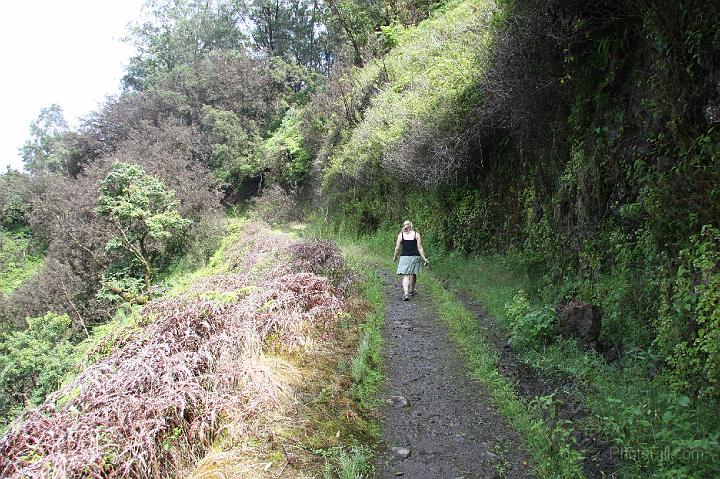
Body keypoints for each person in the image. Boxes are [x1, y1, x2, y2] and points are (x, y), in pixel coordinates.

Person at [393, 220, 429, 301]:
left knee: (406, 275)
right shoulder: (416, 234)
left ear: (404, 226)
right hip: (415, 257)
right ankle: (412, 291)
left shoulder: (401, 235)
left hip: (404, 257)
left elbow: (397, 248)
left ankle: (406, 293)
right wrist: (424, 258)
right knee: (413, 273)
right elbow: (419, 247)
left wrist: (395, 257)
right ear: (411, 226)